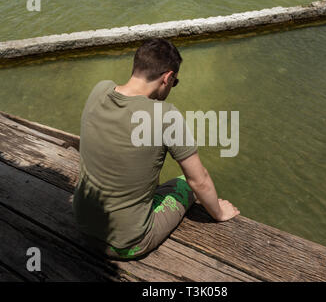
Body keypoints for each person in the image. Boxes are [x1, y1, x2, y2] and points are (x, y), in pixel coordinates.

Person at [73, 38, 239, 260]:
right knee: (183, 183)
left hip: (83, 226)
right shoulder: (166, 115)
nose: (172, 87)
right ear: (168, 77)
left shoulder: (100, 89)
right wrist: (219, 213)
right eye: (174, 82)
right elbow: (199, 180)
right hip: (126, 244)